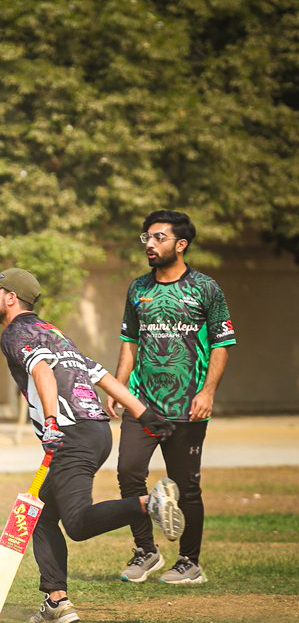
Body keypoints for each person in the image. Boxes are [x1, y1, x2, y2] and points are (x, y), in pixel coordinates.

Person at [0, 267, 183, 623]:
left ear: (11, 298)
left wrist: (52, 421)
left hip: (70, 435)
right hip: (96, 431)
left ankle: (148, 503)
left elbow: (41, 370)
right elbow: (100, 374)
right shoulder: (54, 332)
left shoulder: (15, 333)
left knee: (77, 524)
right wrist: (144, 414)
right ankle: (56, 600)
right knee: (41, 515)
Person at [106, 210, 236, 585]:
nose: (150, 243)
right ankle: (146, 551)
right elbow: (129, 343)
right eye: (146, 237)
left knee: (186, 486)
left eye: (158, 237)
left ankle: (189, 562)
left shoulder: (206, 288)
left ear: (181, 244)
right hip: (143, 404)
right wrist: (119, 387)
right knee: (128, 472)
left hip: (188, 406)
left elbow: (223, 343)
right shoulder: (138, 289)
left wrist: (208, 391)